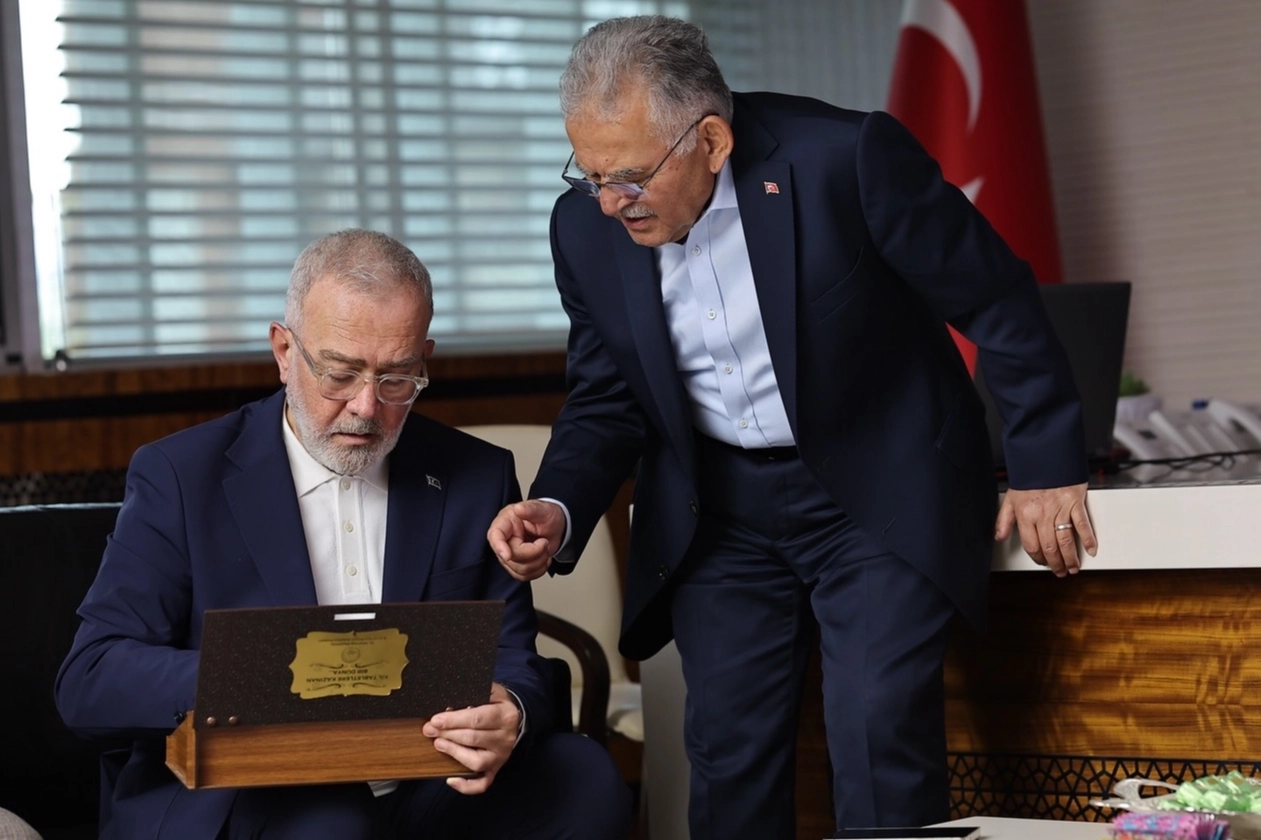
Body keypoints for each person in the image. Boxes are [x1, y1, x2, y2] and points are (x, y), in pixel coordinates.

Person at [487, 15, 1099, 840]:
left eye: (629, 176)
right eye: (588, 174)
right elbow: (605, 395)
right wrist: (557, 506)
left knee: (877, 732)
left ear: (710, 140)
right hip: (719, 509)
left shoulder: (844, 159)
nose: (606, 202)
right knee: (727, 756)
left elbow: (996, 299)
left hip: (873, 489)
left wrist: (1044, 465)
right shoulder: (583, 228)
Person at [55, 229, 631, 840]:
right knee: (336, 821)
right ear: (284, 351)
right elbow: (90, 678)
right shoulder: (180, 474)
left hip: (427, 775)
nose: (366, 407)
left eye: (397, 378)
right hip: (256, 790)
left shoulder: (476, 474)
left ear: (424, 360)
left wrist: (510, 710)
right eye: (339, 373)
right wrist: (259, 675)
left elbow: (514, 657)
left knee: (585, 778)